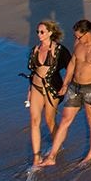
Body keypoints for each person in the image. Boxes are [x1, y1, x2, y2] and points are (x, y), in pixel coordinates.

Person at [42, 19, 91, 167]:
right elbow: (72, 64)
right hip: (74, 87)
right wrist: (65, 83)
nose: (76, 39)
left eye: (78, 36)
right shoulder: (78, 44)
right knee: (65, 119)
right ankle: (52, 156)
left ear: (87, 33)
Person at [26, 20, 71, 167]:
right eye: (38, 32)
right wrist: (28, 92)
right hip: (35, 88)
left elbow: (71, 68)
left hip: (52, 88)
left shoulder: (60, 50)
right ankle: (36, 157)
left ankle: (57, 147)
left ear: (50, 33)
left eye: (42, 32)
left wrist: (65, 85)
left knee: (50, 120)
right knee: (34, 121)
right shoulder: (35, 50)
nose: (39, 34)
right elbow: (33, 72)